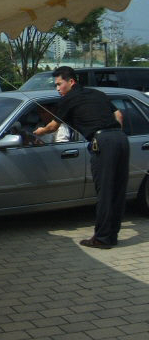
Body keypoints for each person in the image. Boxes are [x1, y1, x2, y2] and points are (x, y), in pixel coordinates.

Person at [34, 66, 129, 249]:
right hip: (121, 139)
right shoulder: (97, 93)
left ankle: (102, 239)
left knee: (105, 192)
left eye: (59, 84)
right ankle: (111, 236)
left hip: (102, 142)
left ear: (71, 82)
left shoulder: (68, 99)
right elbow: (118, 114)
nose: (57, 89)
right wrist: (115, 134)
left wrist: (41, 131)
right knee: (117, 191)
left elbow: (53, 127)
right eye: (56, 85)